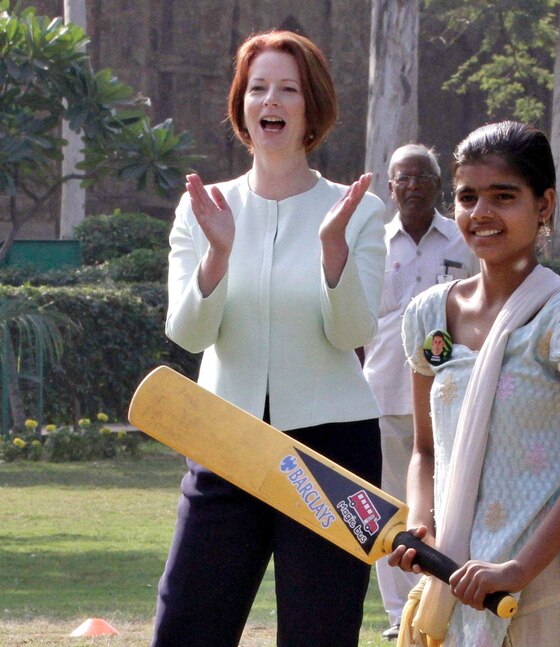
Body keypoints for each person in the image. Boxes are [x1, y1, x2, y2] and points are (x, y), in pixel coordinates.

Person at [156, 30, 386, 647]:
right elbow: (188, 331)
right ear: (241, 106)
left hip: (334, 447)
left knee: (320, 632)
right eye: (257, 88)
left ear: (312, 108)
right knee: (186, 625)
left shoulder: (359, 209)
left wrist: (333, 251)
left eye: (287, 89)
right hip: (225, 440)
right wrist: (218, 255)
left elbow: (353, 333)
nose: (270, 101)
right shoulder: (205, 207)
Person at [390, 121, 560, 646]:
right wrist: (424, 528)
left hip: (537, 581)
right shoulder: (430, 315)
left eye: (503, 196)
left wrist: (517, 567)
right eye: (467, 197)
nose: (481, 214)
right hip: (452, 576)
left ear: (544, 205)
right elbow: (426, 451)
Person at [362, 143, 477, 640]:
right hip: (385, 392)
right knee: (391, 506)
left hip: (452, 396)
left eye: (423, 177)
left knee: (451, 500)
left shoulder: (463, 240)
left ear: (439, 184)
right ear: (390, 187)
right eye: (402, 179)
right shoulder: (372, 242)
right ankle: (397, 615)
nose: (412, 186)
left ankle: (446, 602)